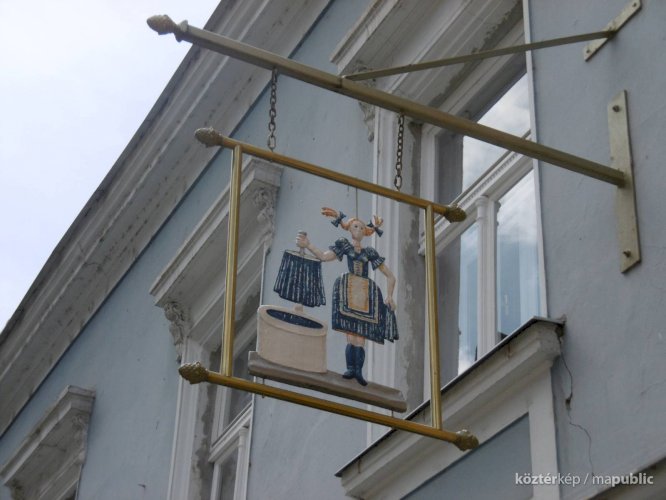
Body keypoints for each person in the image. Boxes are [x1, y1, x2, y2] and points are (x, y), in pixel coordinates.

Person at [296, 207, 398, 386]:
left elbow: (390, 276)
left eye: (361, 227)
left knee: (361, 336)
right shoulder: (344, 245)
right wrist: (308, 245)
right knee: (351, 334)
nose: (358, 229)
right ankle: (351, 368)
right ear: (349, 229)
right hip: (349, 290)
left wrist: (389, 295)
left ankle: (358, 370)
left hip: (366, 294)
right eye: (355, 226)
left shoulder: (369, 252)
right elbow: (324, 256)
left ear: (366, 232)